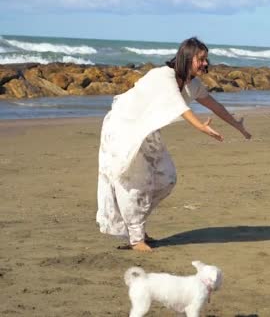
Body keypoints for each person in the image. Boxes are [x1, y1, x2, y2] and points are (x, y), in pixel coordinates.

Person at [96, 37, 251, 252]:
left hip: (146, 129)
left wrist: (238, 125)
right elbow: (179, 107)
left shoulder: (192, 85)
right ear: (187, 58)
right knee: (134, 181)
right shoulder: (163, 76)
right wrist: (200, 127)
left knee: (165, 177)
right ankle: (136, 238)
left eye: (206, 59)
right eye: (201, 59)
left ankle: (135, 227)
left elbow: (214, 105)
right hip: (123, 127)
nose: (205, 64)